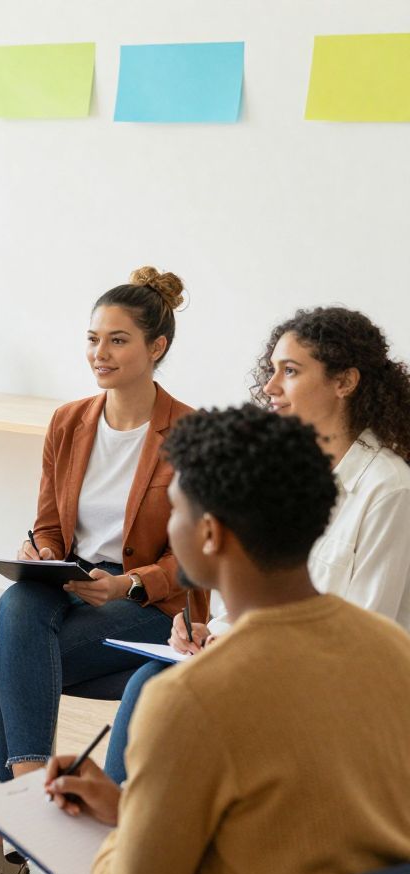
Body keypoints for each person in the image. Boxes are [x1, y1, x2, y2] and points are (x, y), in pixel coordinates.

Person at [0, 404, 410, 874]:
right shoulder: (393, 652)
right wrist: (131, 810)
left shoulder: (192, 695)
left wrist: (108, 838)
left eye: (178, 509)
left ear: (211, 533)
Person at [0, 267, 205, 874]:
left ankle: (9, 833)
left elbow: (198, 557)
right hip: (65, 591)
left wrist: (130, 584)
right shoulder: (70, 422)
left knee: (9, 658)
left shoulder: (190, 432)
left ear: (157, 348)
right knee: (18, 598)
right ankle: (35, 811)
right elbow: (47, 525)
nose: (100, 353)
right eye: (93, 339)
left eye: (118, 340)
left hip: (147, 607)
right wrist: (40, 552)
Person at [104, 305, 410, 783]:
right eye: (272, 371)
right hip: (272, 661)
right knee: (152, 682)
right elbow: (256, 593)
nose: (270, 387)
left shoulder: (390, 489)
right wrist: (213, 632)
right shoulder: (286, 470)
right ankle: (116, 832)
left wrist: (238, 653)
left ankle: (127, 836)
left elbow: (365, 637)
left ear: (344, 382)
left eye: (290, 371)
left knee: (172, 699)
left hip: (339, 692)